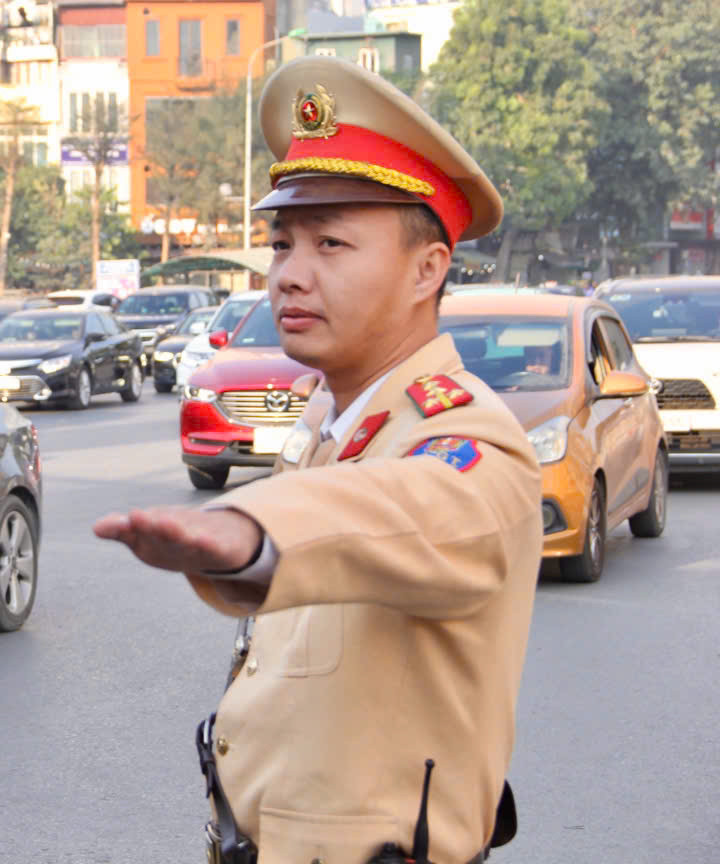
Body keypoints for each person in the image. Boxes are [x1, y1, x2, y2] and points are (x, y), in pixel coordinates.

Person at [94, 57, 542, 864]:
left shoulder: (473, 435)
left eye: (332, 243)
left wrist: (250, 530)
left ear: (427, 269)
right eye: (282, 243)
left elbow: (414, 508)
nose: (291, 275)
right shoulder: (328, 416)